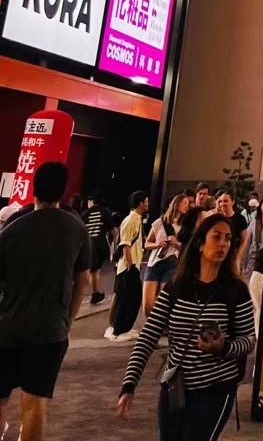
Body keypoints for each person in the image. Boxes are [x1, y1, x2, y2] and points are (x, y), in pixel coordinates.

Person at [117, 211, 256, 439]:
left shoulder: (236, 291)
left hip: (216, 388)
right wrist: (129, 384)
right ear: (201, 244)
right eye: (217, 237)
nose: (223, 244)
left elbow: (249, 340)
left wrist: (224, 348)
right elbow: (148, 337)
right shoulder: (176, 288)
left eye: (228, 239)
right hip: (175, 387)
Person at [0, 161, 90, 441]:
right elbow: (83, 280)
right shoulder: (76, 228)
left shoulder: (12, 229)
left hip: (7, 329)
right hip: (51, 330)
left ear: (33, 189)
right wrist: (68, 320)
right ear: (63, 190)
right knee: (34, 403)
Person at [106, 190, 149, 341]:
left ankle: (124, 328)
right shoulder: (131, 220)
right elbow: (125, 245)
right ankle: (118, 330)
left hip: (133, 266)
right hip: (127, 267)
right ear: (140, 203)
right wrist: (131, 267)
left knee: (130, 299)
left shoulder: (136, 219)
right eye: (146, 201)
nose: (147, 203)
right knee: (127, 299)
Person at [144, 193, 192, 316]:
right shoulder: (159, 222)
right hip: (154, 263)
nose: (187, 206)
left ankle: (162, 327)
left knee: (163, 301)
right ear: (176, 204)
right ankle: (151, 327)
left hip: (172, 264)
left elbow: (188, 248)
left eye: (188, 204)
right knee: (147, 304)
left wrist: (177, 243)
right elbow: (147, 243)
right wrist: (157, 244)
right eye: (184, 203)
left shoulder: (185, 226)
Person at [83, 193, 110, 305]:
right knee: (95, 270)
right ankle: (95, 293)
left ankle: (82, 293)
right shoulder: (105, 212)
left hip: (88, 245)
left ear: (92, 201)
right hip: (101, 245)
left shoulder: (84, 214)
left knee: (86, 270)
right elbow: (114, 230)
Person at [213, 189, 248, 260]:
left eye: (225, 201)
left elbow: (244, 240)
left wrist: (238, 257)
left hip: (234, 255)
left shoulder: (240, 218)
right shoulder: (218, 219)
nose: (222, 204)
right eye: (220, 201)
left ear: (233, 202)